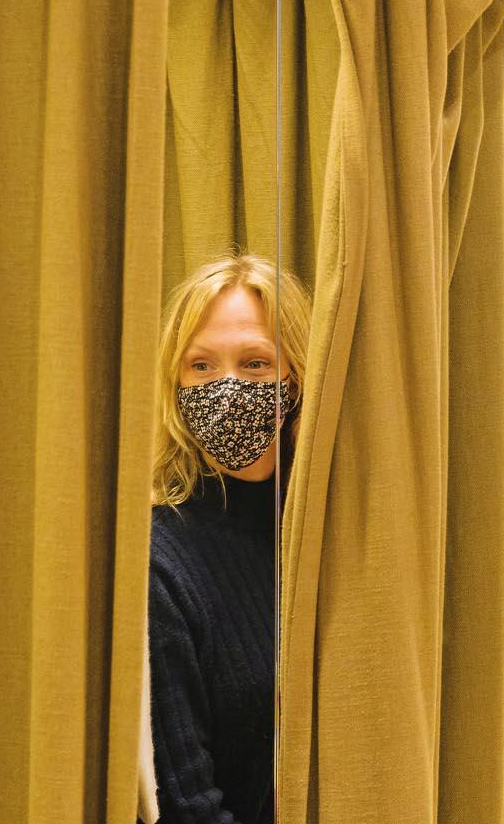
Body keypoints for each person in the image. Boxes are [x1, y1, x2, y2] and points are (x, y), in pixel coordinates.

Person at [146, 252, 309, 824]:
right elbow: (186, 803)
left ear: (298, 377)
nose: (229, 387)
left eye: (256, 363)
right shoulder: (160, 562)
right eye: (202, 367)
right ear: (176, 381)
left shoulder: (335, 537)